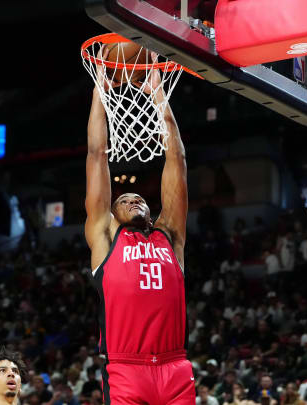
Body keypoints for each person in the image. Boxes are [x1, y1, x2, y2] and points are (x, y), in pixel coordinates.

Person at [84, 66, 193, 404]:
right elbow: (96, 155)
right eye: (125, 200)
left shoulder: (169, 236)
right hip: (126, 369)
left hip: (175, 366)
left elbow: (176, 158)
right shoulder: (105, 236)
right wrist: (99, 96)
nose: (133, 201)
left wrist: (159, 95)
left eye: (139, 199)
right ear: (112, 214)